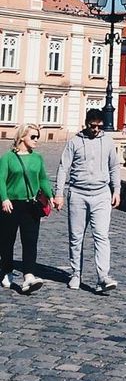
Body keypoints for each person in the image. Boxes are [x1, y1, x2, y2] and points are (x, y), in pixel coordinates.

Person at [57, 108, 121, 293]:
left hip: (101, 194)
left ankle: (103, 277)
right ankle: (76, 274)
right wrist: (59, 193)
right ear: (86, 124)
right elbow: (63, 167)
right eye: (93, 126)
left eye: (100, 126)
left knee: (101, 236)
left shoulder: (107, 141)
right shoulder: (74, 142)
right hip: (78, 193)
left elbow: (114, 166)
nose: (96, 130)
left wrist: (116, 190)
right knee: (76, 237)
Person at [1, 125, 56, 293]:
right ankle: (7, 270)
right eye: (33, 137)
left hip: (31, 205)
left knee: (30, 241)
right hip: (11, 205)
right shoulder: (8, 158)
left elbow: (43, 179)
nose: (36, 140)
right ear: (22, 137)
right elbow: (1, 180)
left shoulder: (37, 158)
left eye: (37, 136)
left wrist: (50, 196)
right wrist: (4, 198)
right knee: (7, 241)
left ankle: (28, 276)